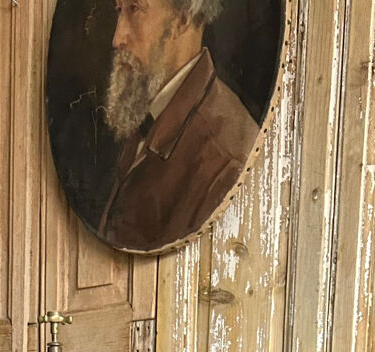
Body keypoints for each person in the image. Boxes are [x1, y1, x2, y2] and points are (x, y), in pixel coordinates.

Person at [97, 0, 258, 252]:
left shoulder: (226, 161)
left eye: (135, 9)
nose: (117, 39)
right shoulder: (148, 109)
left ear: (182, 20)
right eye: (119, 10)